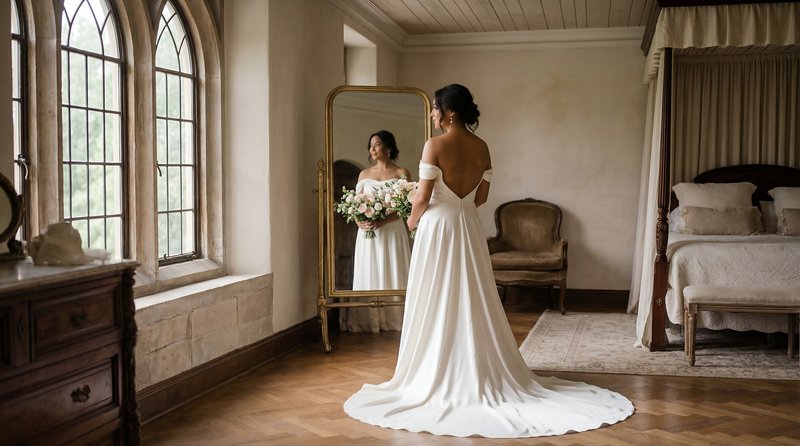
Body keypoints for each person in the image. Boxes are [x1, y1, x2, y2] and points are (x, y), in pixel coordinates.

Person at [343, 85, 634, 437]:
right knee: (470, 291)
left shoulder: (434, 145)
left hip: (438, 227)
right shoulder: (482, 147)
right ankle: (475, 362)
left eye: (435, 108)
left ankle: (435, 366)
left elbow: (422, 196)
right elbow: (481, 197)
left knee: (437, 292)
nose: (433, 113)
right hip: (467, 224)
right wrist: (458, 206)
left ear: (450, 112)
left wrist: (412, 220)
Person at [341, 130, 412, 333]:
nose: (372, 149)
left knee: (393, 266)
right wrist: (359, 222)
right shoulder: (364, 175)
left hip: (392, 230)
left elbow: (406, 206)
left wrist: (384, 221)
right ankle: (368, 320)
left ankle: (395, 318)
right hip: (368, 232)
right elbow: (355, 205)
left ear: (389, 148)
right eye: (370, 145)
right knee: (369, 268)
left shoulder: (401, 173)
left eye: (377, 144)